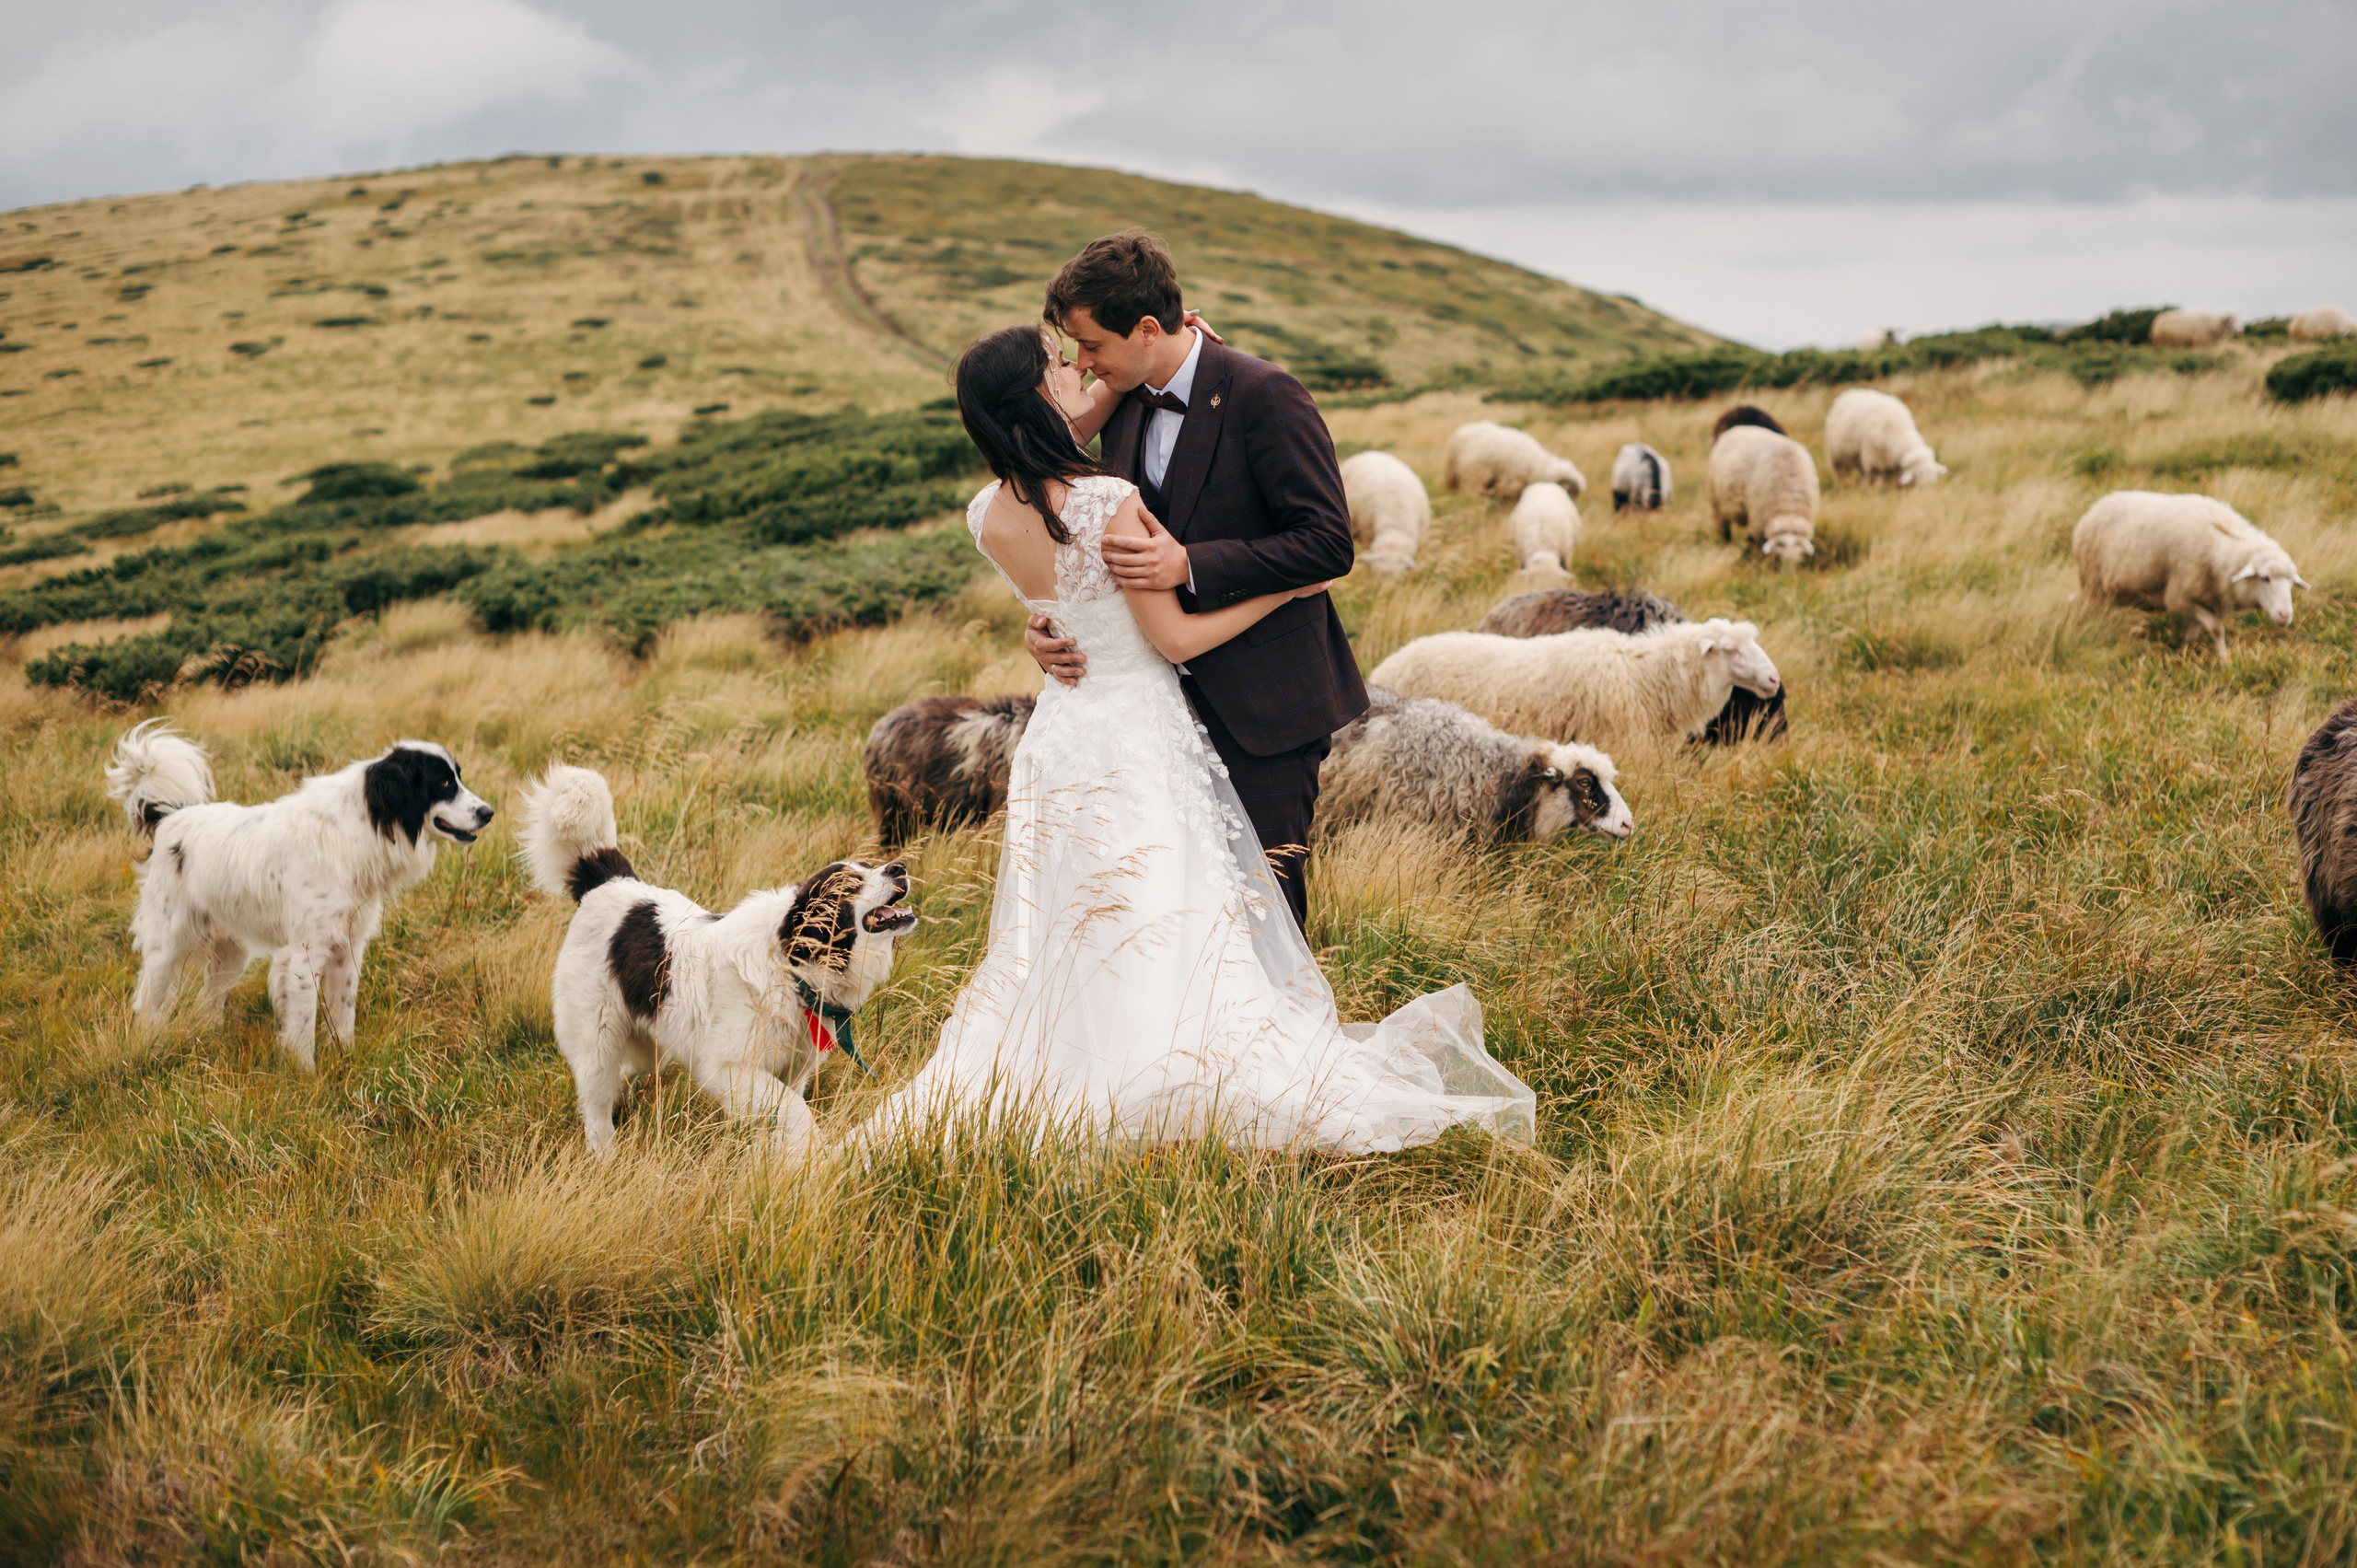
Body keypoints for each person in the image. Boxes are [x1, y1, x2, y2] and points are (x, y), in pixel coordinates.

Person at [850, 324, 1533, 1154]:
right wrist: (1286, 591)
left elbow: (1061, 574)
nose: (1078, 369)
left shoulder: (984, 514)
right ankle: (1156, 1080)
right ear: (1036, 395)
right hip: (1136, 732)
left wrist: (1159, 354)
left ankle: (1071, 1079)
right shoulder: (1105, 500)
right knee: (1163, 907)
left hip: (1062, 736)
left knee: (1077, 922)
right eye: (1059, 364)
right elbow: (1173, 638)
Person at [1024, 230, 1363, 928]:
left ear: (1148, 329)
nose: (1083, 363)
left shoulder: (1266, 394)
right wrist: (1055, 621)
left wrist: (1191, 564)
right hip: (1155, 715)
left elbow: (1329, 543)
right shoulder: (1124, 397)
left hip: (1264, 708)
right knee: (1177, 917)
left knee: (1267, 916)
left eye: (1092, 345)